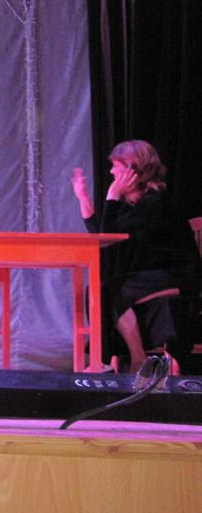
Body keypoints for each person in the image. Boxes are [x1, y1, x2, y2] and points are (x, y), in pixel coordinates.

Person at [71, 140, 200, 371]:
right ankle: (132, 358)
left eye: (116, 167)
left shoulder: (154, 202)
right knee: (103, 289)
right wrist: (83, 199)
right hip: (153, 277)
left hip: (177, 276)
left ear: (133, 169)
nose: (112, 172)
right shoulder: (134, 205)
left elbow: (108, 234)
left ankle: (121, 359)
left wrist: (112, 194)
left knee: (108, 290)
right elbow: (104, 236)